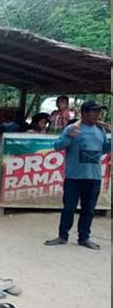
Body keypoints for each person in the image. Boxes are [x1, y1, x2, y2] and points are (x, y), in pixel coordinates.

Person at [45, 101, 111, 250]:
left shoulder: (101, 131)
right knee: (69, 208)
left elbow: (104, 149)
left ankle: (84, 238)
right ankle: (62, 236)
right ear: (85, 113)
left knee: (89, 209)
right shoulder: (73, 128)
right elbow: (57, 146)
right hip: (74, 177)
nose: (98, 115)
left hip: (94, 177)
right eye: (95, 112)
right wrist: (68, 136)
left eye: (99, 112)